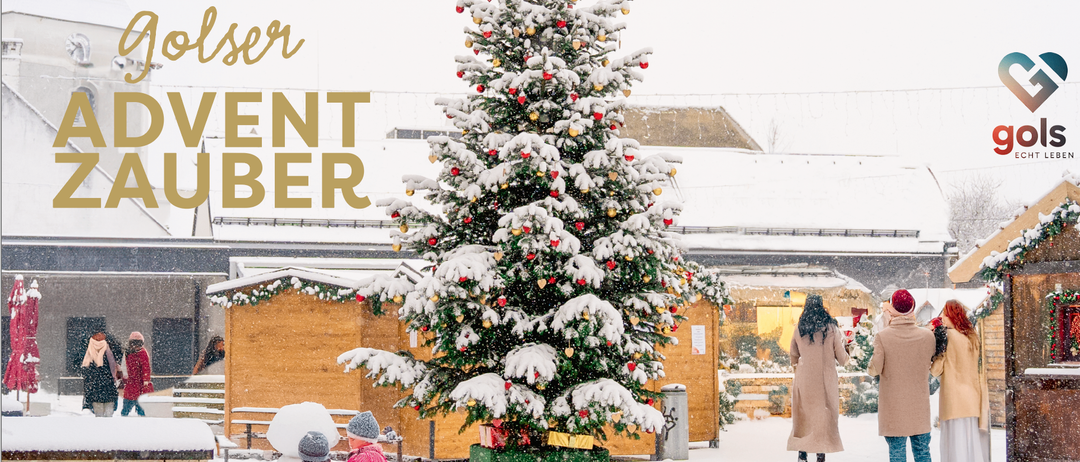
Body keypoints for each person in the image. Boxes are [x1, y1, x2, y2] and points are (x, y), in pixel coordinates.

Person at [868, 289, 937, 462]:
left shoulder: (883, 337)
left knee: (897, 454)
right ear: (913, 308)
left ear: (891, 309)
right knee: (922, 453)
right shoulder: (928, 336)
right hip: (918, 407)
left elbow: (873, 369)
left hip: (894, 408)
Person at [787, 294, 849, 462]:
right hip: (824, 380)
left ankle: (802, 453)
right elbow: (842, 359)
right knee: (823, 417)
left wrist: (801, 368)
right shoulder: (831, 328)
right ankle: (821, 454)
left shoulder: (799, 328)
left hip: (804, 379)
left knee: (804, 416)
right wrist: (849, 348)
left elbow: (793, 356)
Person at [931, 300, 990, 462]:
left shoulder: (947, 336)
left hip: (953, 398)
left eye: (944, 313)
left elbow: (936, 370)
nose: (941, 316)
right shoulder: (972, 336)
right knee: (969, 442)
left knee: (954, 444)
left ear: (950, 315)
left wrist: (937, 353)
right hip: (971, 397)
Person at [80, 331, 120, 417]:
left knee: (108, 417)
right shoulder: (87, 351)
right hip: (96, 391)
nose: (99, 337)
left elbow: (118, 358)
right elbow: (85, 373)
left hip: (108, 390)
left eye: (101, 335)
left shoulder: (111, 348)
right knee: (99, 418)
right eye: (96, 335)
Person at [121, 331, 153, 416]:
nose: (136, 346)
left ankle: (140, 414)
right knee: (128, 402)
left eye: (138, 344)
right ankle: (125, 414)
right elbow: (124, 365)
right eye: (134, 343)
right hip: (132, 382)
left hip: (140, 383)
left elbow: (146, 367)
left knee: (139, 403)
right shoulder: (128, 353)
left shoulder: (142, 353)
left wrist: (146, 379)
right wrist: (124, 376)